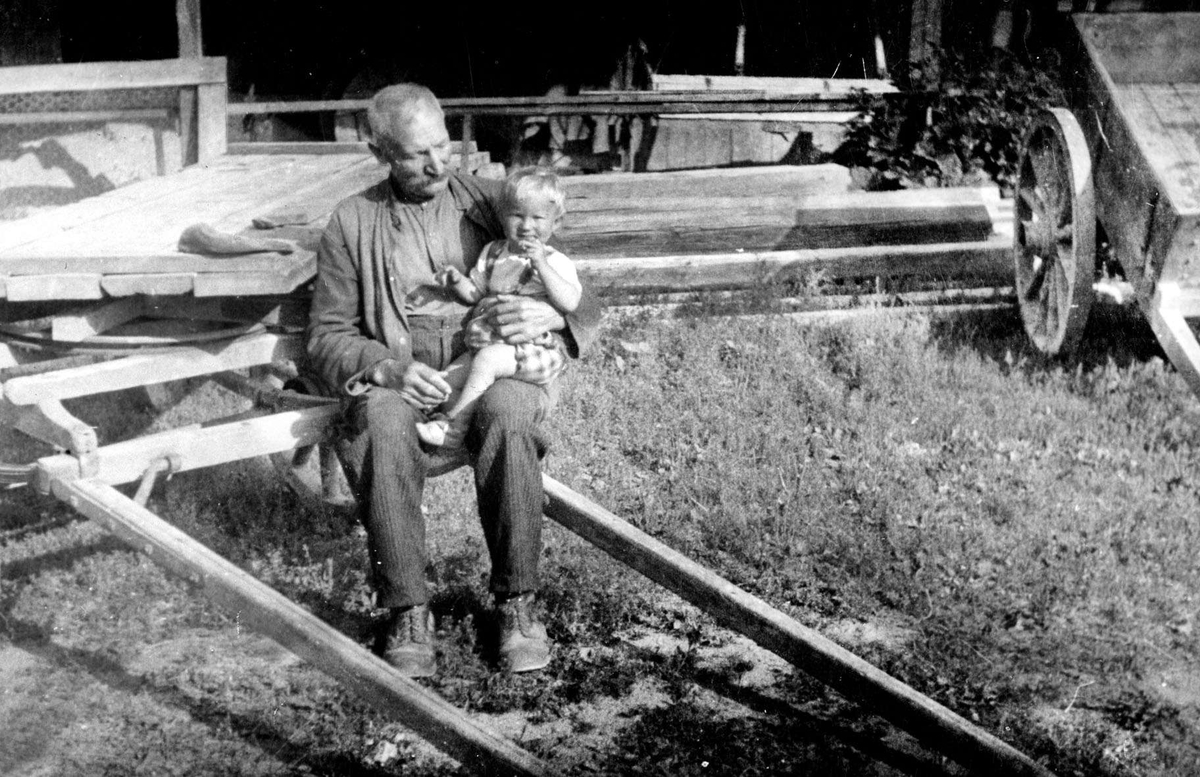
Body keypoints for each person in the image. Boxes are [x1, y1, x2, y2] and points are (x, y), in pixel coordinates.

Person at [305, 83, 601, 677]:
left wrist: (554, 313)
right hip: (404, 373)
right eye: (417, 155)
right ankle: (408, 609)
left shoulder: (491, 200)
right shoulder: (352, 222)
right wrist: (387, 367)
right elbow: (325, 336)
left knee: (511, 414)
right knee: (378, 422)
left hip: (489, 360)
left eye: (443, 147)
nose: (438, 165)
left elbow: (578, 288)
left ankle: (518, 602)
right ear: (379, 152)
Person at [415, 167, 582, 449]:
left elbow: (570, 302)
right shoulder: (494, 252)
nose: (526, 226)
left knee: (486, 363)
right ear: (503, 217)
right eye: (517, 215)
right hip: (493, 345)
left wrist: (541, 265)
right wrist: (457, 281)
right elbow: (476, 292)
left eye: (538, 218)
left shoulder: (555, 260)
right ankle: (448, 421)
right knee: (450, 377)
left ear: (556, 223)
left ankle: (453, 431)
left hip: (535, 351)